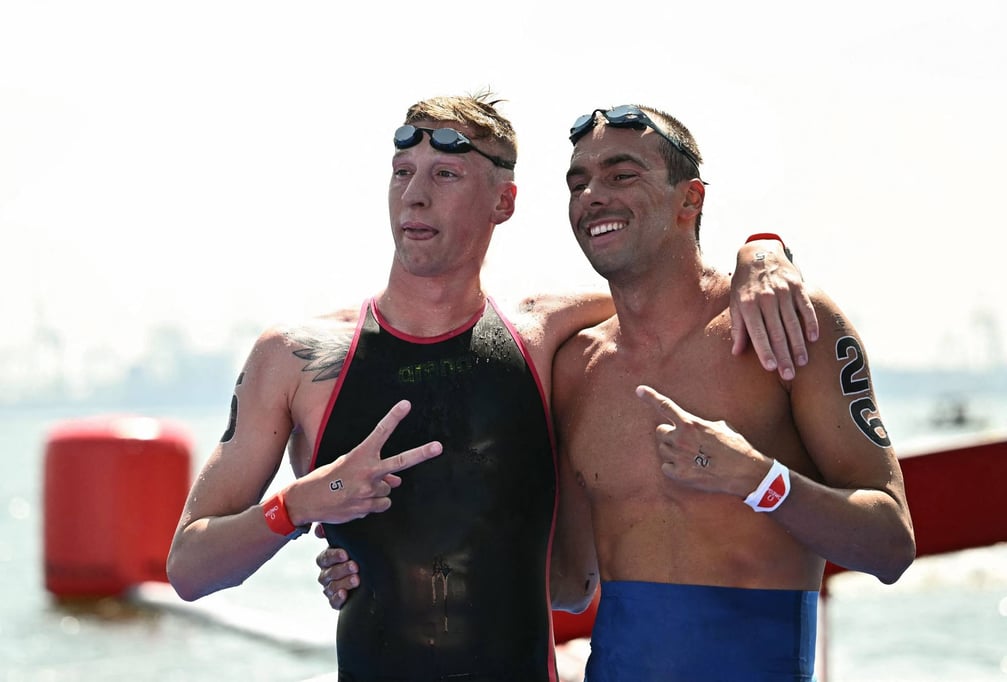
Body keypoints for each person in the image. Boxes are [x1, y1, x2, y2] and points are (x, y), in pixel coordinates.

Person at [166, 93, 813, 681]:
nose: (414, 196)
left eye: (445, 175)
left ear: (503, 202)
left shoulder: (543, 333)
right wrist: (300, 505)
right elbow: (190, 570)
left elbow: (673, 292)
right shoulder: (298, 359)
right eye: (402, 172)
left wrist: (762, 251)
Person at [547, 105, 916, 680]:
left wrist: (758, 481)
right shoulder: (576, 367)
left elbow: (891, 544)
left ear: (689, 200)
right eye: (579, 182)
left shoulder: (790, 326)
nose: (592, 195)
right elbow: (569, 586)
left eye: (621, 175)